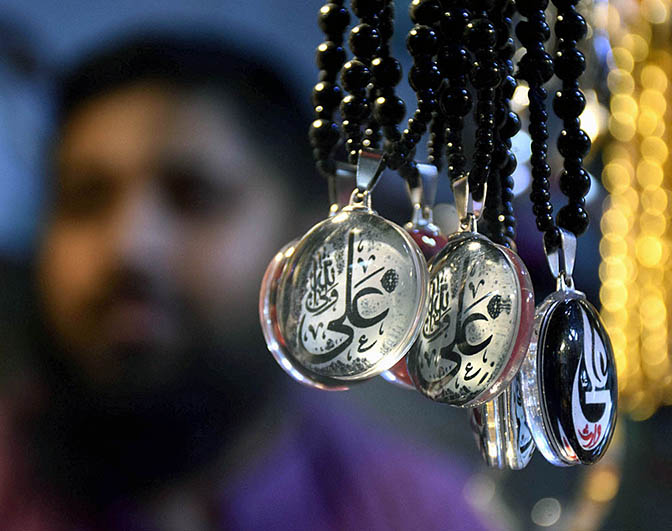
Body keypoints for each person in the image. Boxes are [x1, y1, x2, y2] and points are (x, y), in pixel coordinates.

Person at [0, 33, 489, 530]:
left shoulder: (417, 515)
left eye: (194, 197)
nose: (129, 247)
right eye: (85, 198)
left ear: (309, 238)